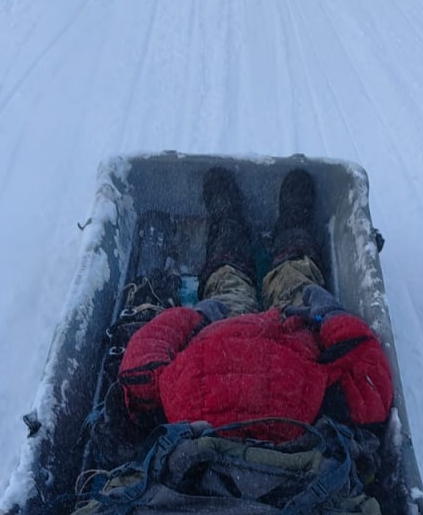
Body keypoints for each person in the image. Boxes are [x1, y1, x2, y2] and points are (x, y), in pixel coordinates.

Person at [118, 167, 393, 442]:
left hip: (227, 328)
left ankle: (230, 221)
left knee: (228, 279)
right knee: (293, 279)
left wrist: (194, 317)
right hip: (288, 330)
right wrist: (330, 316)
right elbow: (372, 384)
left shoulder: (182, 410)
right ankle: (288, 226)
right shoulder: (183, 409)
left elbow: (138, 369)